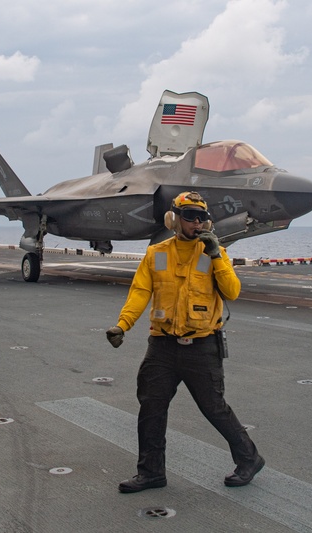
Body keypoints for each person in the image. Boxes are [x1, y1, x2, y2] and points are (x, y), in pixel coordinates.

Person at [106, 191, 264, 493]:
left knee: (214, 408)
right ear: (174, 218)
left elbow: (232, 291)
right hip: (162, 346)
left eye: (200, 217)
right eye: (189, 216)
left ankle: (249, 458)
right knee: (151, 407)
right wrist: (122, 325)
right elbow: (140, 292)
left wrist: (217, 254)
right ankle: (151, 472)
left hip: (202, 345)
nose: (195, 222)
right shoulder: (157, 253)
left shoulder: (213, 253)